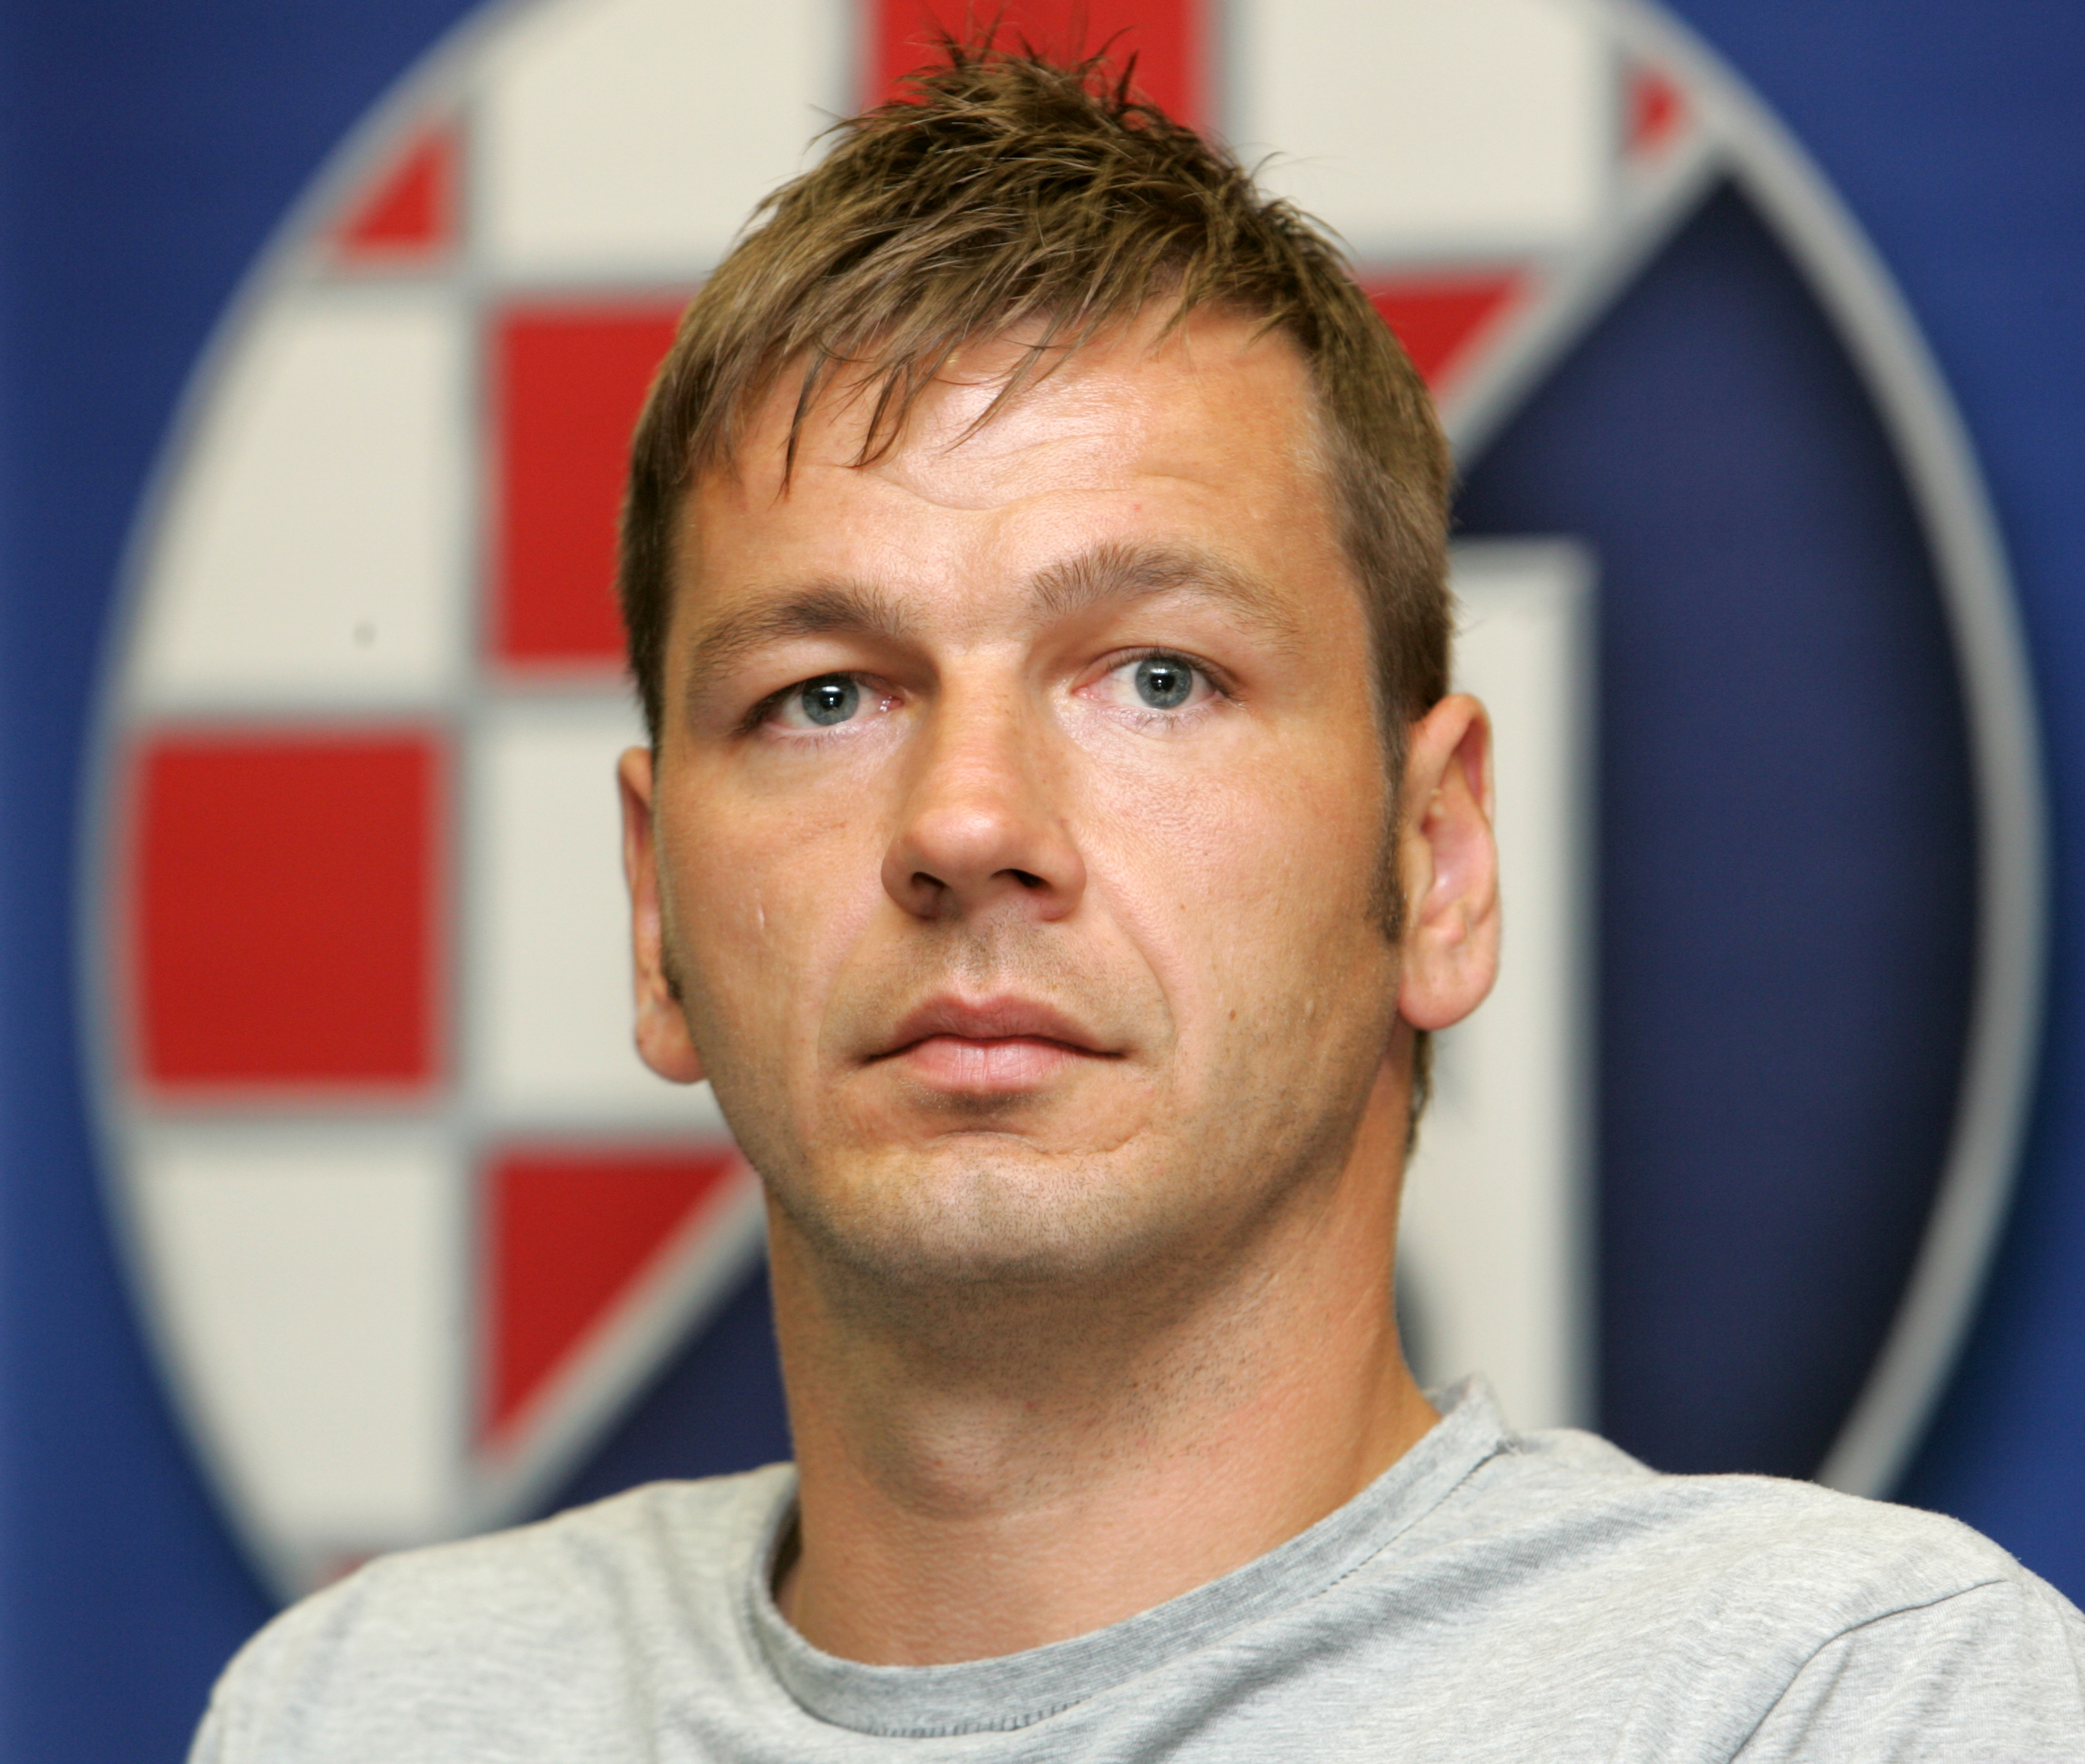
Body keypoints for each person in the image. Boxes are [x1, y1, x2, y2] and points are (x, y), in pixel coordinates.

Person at [191, 47, 2085, 1762]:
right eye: (825, 695)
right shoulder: (359, 1713)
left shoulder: (1836, 1700)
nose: (966, 821)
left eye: (1156, 676)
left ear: (1434, 859)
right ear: (652, 910)